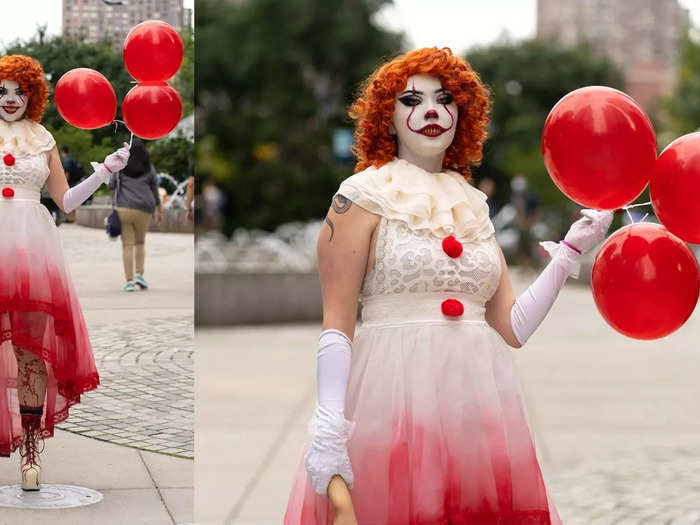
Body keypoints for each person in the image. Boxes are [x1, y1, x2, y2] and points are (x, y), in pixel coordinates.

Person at [284, 47, 612, 524]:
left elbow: (512, 327)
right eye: (411, 100)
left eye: (445, 99)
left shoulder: (472, 205)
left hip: (477, 412)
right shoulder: (360, 197)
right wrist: (330, 433)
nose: (431, 111)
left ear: (464, 113)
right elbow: (336, 325)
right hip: (390, 405)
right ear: (386, 116)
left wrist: (569, 252)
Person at [0, 55, 130, 490]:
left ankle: (31, 451)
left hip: (34, 253)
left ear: (33, 93)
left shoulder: (43, 138)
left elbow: (67, 201)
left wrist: (105, 171)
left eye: (20, 90)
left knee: (31, 353)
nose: (11, 98)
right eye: (2, 90)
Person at [107, 138, 162, 292]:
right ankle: (140, 275)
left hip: (125, 208)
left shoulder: (120, 166)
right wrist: (160, 210)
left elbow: (112, 185)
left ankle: (129, 281)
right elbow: (155, 190)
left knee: (127, 245)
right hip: (145, 209)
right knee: (140, 243)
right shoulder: (149, 168)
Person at [60, 145, 86, 222]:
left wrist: (64, 183)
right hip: (77, 182)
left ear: (62, 152)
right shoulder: (72, 159)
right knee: (73, 201)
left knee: (68, 200)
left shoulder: (66, 160)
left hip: (70, 183)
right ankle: (72, 218)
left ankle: (70, 218)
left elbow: (66, 174)